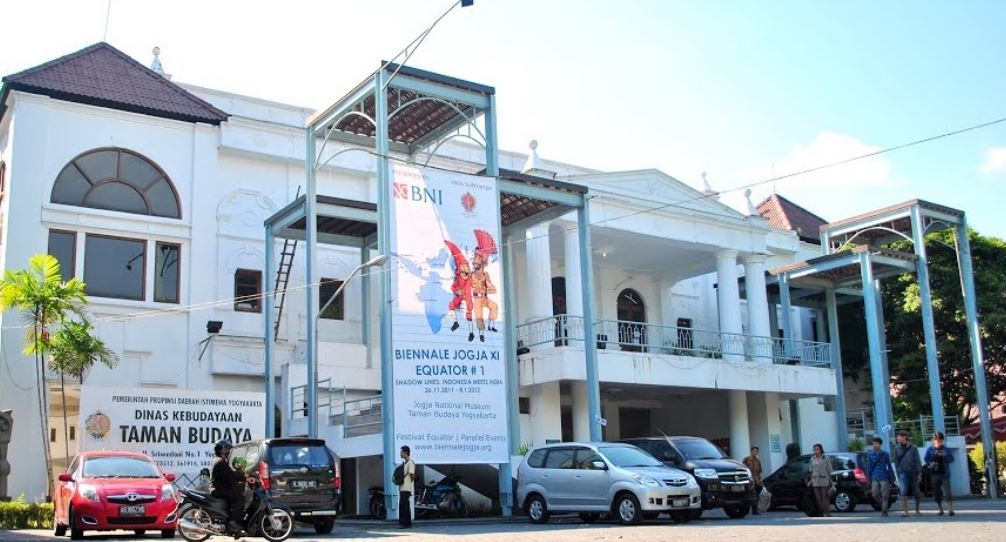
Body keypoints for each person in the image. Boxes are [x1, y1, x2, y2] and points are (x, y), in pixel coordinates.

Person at [210, 439, 245, 533]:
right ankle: (232, 523)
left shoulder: (219, 460)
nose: (229, 452)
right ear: (223, 450)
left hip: (218, 488)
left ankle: (228, 519)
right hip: (219, 490)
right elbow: (230, 476)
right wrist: (242, 475)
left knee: (235, 493)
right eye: (228, 450)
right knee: (239, 497)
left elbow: (228, 474)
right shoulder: (221, 462)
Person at [924, 432, 955, 516]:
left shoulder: (946, 449)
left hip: (944, 473)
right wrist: (930, 464)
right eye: (936, 440)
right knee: (936, 492)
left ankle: (950, 509)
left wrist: (945, 456)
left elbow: (952, 459)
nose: (938, 442)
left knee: (948, 492)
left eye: (940, 440)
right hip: (934, 473)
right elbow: (926, 459)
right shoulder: (930, 449)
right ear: (933, 440)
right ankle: (940, 509)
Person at [893, 431, 922, 517]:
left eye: (899, 436)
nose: (897, 438)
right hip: (902, 472)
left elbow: (918, 460)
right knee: (903, 491)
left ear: (904, 437)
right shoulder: (896, 448)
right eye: (897, 437)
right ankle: (906, 511)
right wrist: (898, 472)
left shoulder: (913, 447)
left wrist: (920, 473)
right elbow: (896, 461)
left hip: (913, 472)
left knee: (917, 492)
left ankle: (917, 510)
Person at [866, 437, 894, 517]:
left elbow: (889, 466)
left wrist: (892, 476)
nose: (874, 445)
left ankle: (884, 511)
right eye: (873, 443)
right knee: (875, 494)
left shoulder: (885, 454)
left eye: (876, 443)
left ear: (880, 444)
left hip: (884, 476)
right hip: (874, 476)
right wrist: (868, 478)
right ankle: (883, 506)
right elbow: (869, 467)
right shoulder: (870, 454)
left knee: (885, 494)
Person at [808, 443, 833, 517]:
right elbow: (811, 471)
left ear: (821, 450)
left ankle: (827, 512)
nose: (816, 451)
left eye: (817, 449)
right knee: (818, 498)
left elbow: (829, 470)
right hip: (815, 480)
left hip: (824, 479)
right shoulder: (812, 459)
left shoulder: (825, 458)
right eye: (814, 449)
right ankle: (821, 512)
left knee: (824, 497)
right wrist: (810, 480)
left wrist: (831, 481)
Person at [398, 445, 416, 529]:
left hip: (406, 488)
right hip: (402, 487)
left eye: (401, 452)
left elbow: (412, 475)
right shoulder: (405, 463)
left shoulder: (410, 463)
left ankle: (404, 524)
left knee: (403, 505)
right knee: (404, 505)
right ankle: (407, 523)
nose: (400, 454)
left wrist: (409, 484)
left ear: (405, 452)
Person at [742, 446, 763, 515]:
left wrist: (760, 481)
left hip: (756, 480)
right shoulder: (746, 460)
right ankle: (746, 510)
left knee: (756, 496)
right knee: (748, 495)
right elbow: (743, 469)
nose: (755, 452)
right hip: (749, 480)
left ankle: (754, 509)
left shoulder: (758, 461)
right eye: (754, 451)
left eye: (756, 451)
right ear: (751, 452)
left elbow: (759, 472)